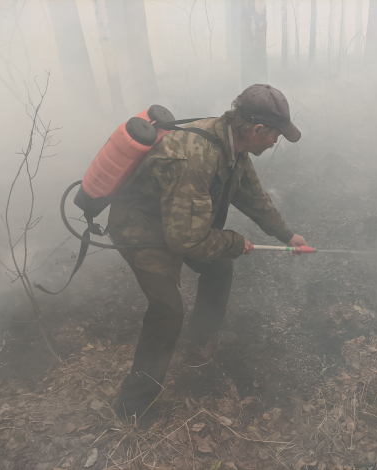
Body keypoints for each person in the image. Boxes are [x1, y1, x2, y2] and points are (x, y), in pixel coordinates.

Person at [108, 84, 307, 419]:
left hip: (179, 221)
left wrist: (287, 235)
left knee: (218, 267)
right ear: (258, 130)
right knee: (167, 311)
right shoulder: (196, 157)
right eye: (276, 136)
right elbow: (185, 240)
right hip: (142, 228)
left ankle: (200, 338)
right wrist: (232, 242)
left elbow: (251, 194)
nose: (276, 143)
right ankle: (131, 408)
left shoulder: (233, 143)